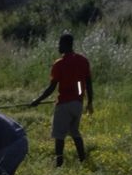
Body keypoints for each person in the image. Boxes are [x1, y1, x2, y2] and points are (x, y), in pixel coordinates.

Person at [29, 33, 93, 166]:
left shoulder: (60, 64)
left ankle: (58, 163)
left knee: (59, 135)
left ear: (66, 44)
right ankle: (82, 159)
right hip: (78, 104)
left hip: (64, 104)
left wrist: (38, 100)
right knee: (74, 131)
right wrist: (89, 101)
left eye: (60, 44)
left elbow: (52, 87)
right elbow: (87, 83)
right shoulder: (83, 60)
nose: (58, 46)